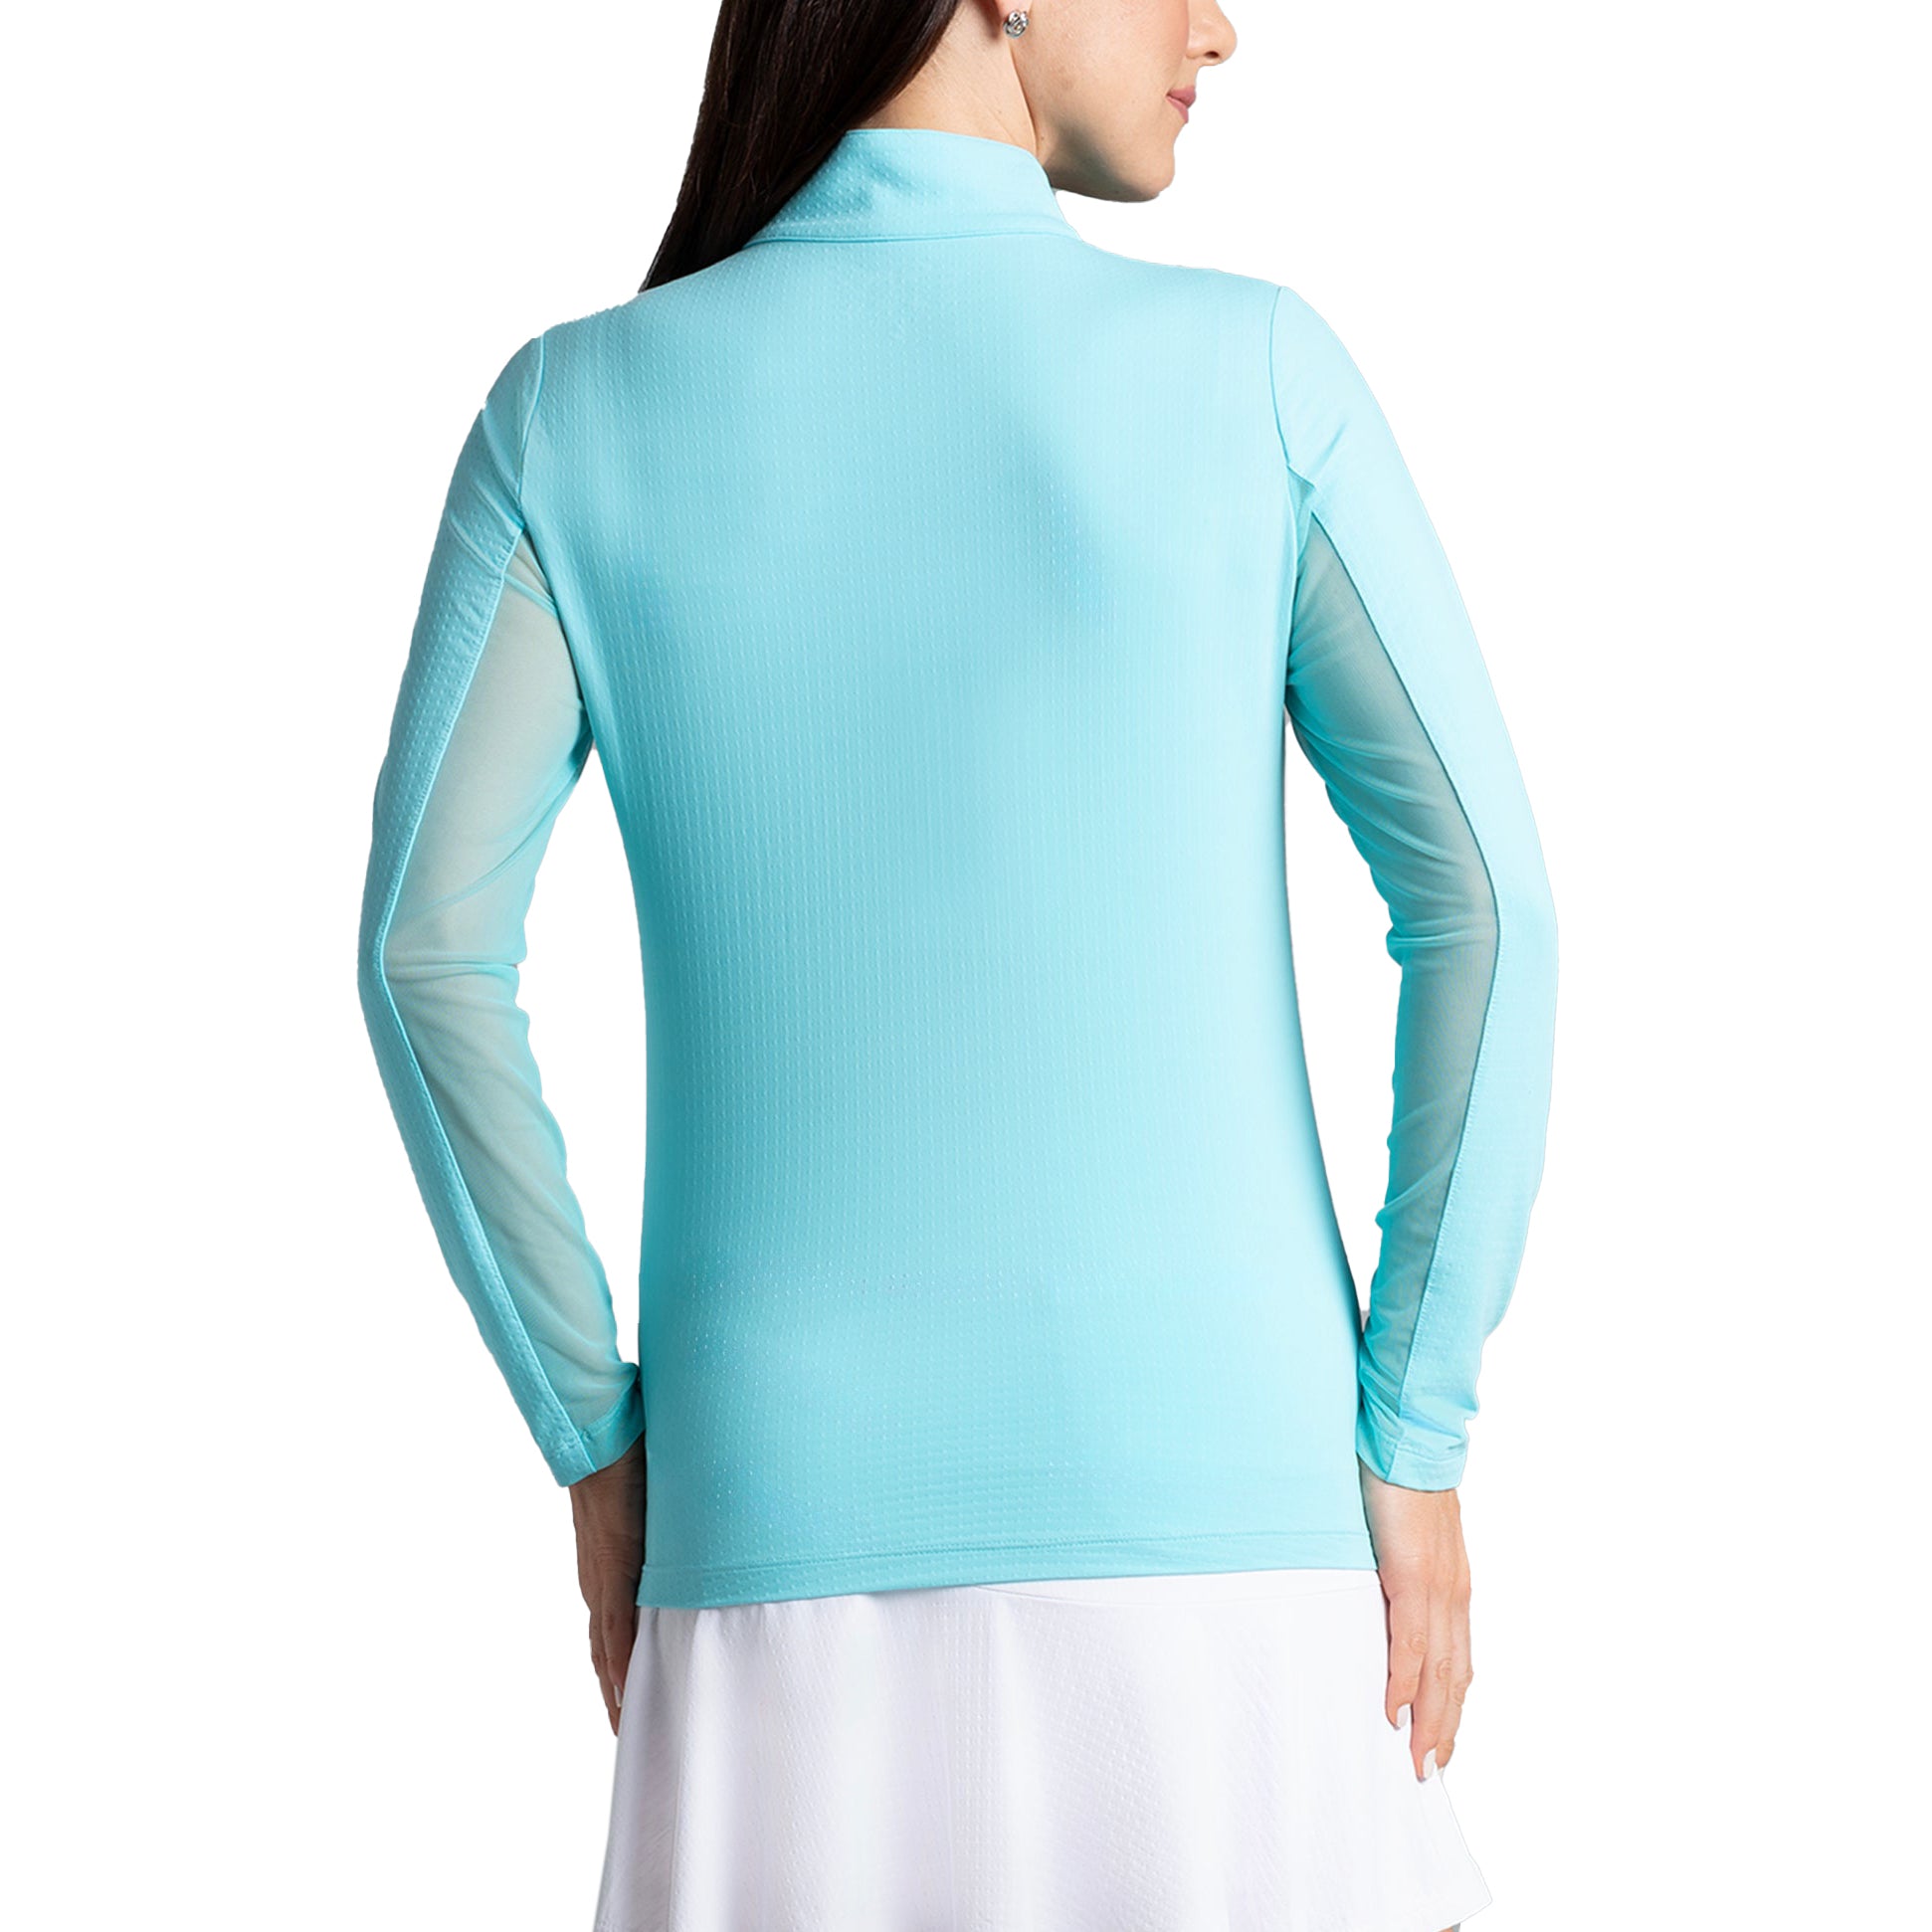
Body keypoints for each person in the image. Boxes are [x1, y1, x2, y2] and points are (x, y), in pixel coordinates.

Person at [355, 2, 1558, 1925]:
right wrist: (1413, 1431)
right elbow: (1484, 904)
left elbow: (426, 953)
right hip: (1227, 1552)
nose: (1218, 28)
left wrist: (595, 1434)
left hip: (769, 1539)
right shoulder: (1254, 376)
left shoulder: (571, 414)